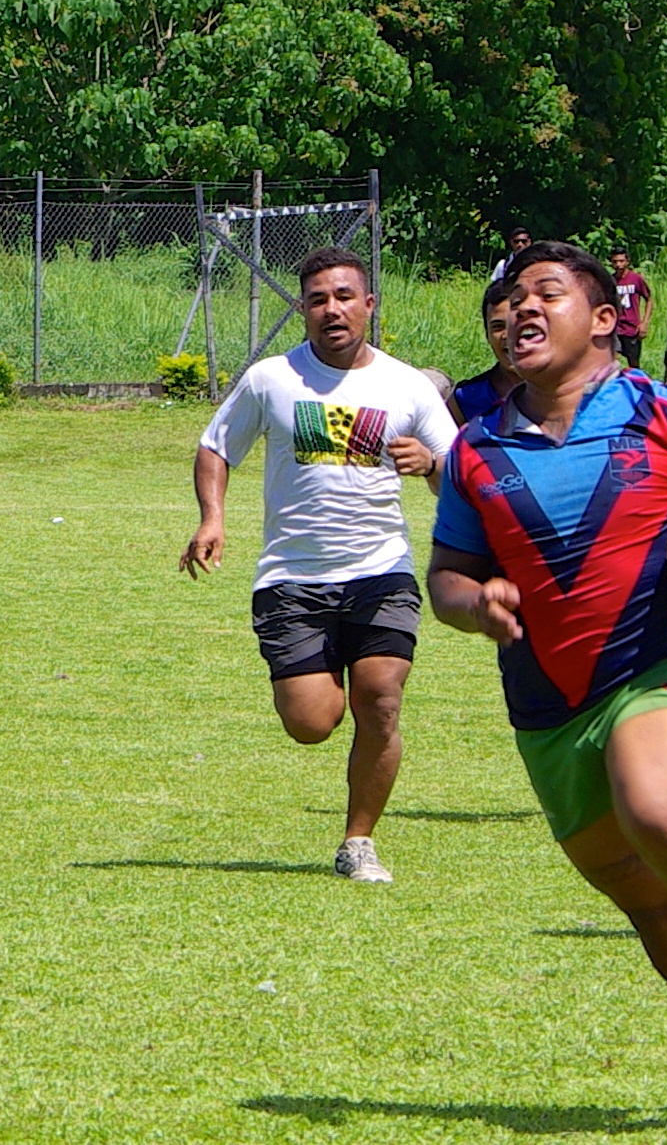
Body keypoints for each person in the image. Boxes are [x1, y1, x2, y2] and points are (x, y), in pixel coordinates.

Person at [428, 241, 667, 1119]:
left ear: (604, 320)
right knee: (650, 913)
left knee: (660, 813)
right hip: (543, 708)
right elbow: (446, 571)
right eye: (510, 297)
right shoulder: (473, 450)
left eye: (547, 293)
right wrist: (468, 603)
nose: (522, 308)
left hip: (659, 667)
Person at [180, 246, 457, 883]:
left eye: (342, 297)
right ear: (303, 309)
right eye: (316, 299)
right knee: (312, 722)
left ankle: (358, 842)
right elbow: (215, 447)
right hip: (292, 579)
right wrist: (213, 517)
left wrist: (434, 465)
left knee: (380, 700)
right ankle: (319, 684)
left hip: (381, 570)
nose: (330, 309)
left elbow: (465, 477)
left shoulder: (408, 385)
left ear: (368, 305)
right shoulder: (272, 379)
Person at [448, 279, 518, 425]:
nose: (508, 335)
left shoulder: (569, 392)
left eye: (516, 324)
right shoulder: (465, 399)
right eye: (498, 326)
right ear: (487, 335)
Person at [610, 246, 653, 370]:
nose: (618, 265)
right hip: (616, 327)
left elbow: (649, 299)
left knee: (633, 363)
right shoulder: (611, 281)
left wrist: (644, 322)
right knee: (612, 359)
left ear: (627, 261)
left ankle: (635, 385)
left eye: (621, 261)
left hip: (632, 328)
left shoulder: (636, 279)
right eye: (615, 261)